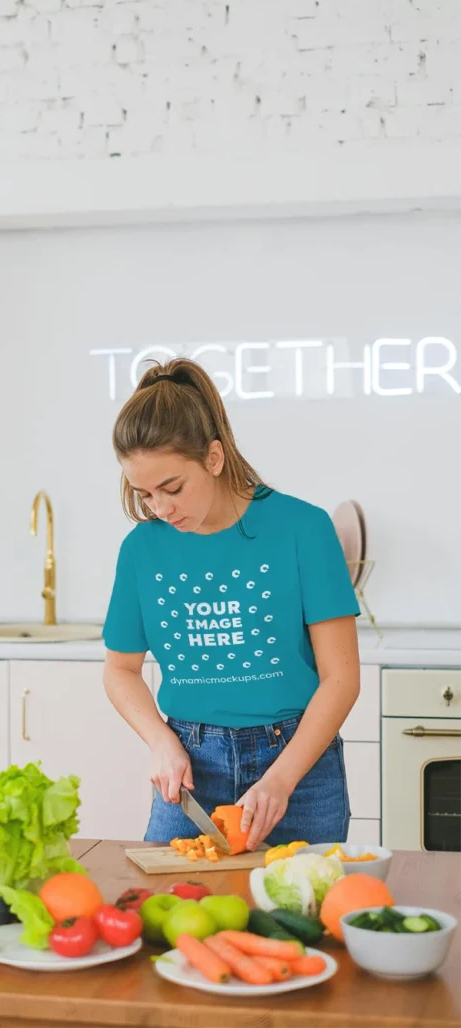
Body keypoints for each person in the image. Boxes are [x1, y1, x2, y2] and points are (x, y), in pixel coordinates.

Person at [102, 357, 360, 851]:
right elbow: (120, 670)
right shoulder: (142, 549)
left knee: (299, 917)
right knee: (174, 917)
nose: (160, 508)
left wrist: (281, 781)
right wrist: (160, 742)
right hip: (192, 768)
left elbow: (342, 678)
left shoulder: (302, 529)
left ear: (214, 459)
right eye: (145, 493)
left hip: (299, 766)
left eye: (172, 488)